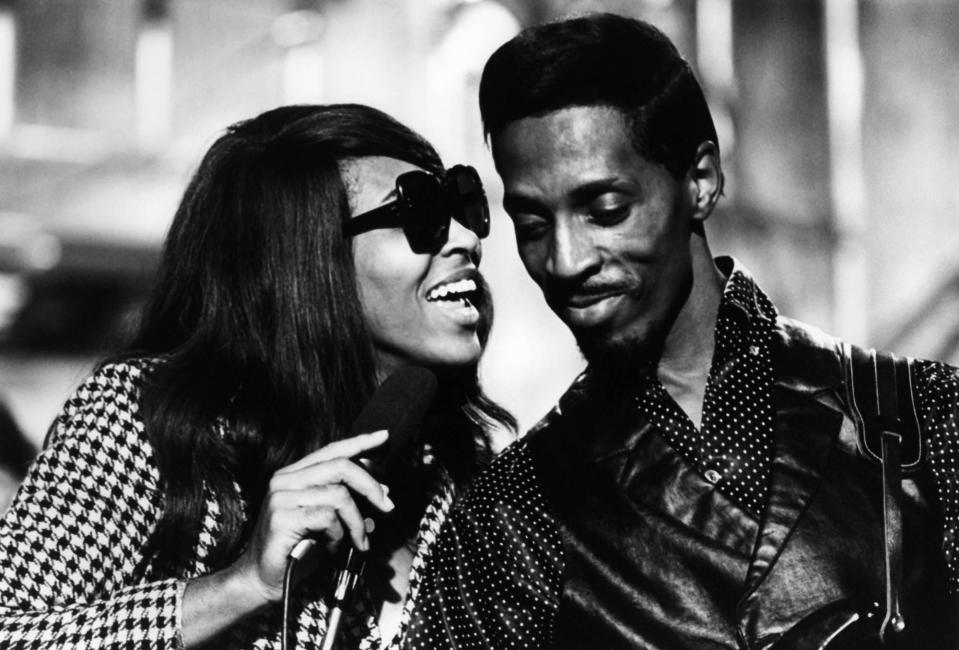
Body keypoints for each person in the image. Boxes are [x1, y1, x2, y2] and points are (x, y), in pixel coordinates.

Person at [406, 13, 959, 649]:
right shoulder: (511, 513)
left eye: (605, 211)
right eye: (532, 225)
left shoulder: (923, 415)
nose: (565, 260)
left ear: (699, 180)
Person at [0, 103, 515, 649]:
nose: (465, 239)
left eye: (461, 206)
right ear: (305, 258)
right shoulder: (150, 421)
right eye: (419, 213)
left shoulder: (464, 478)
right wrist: (243, 584)